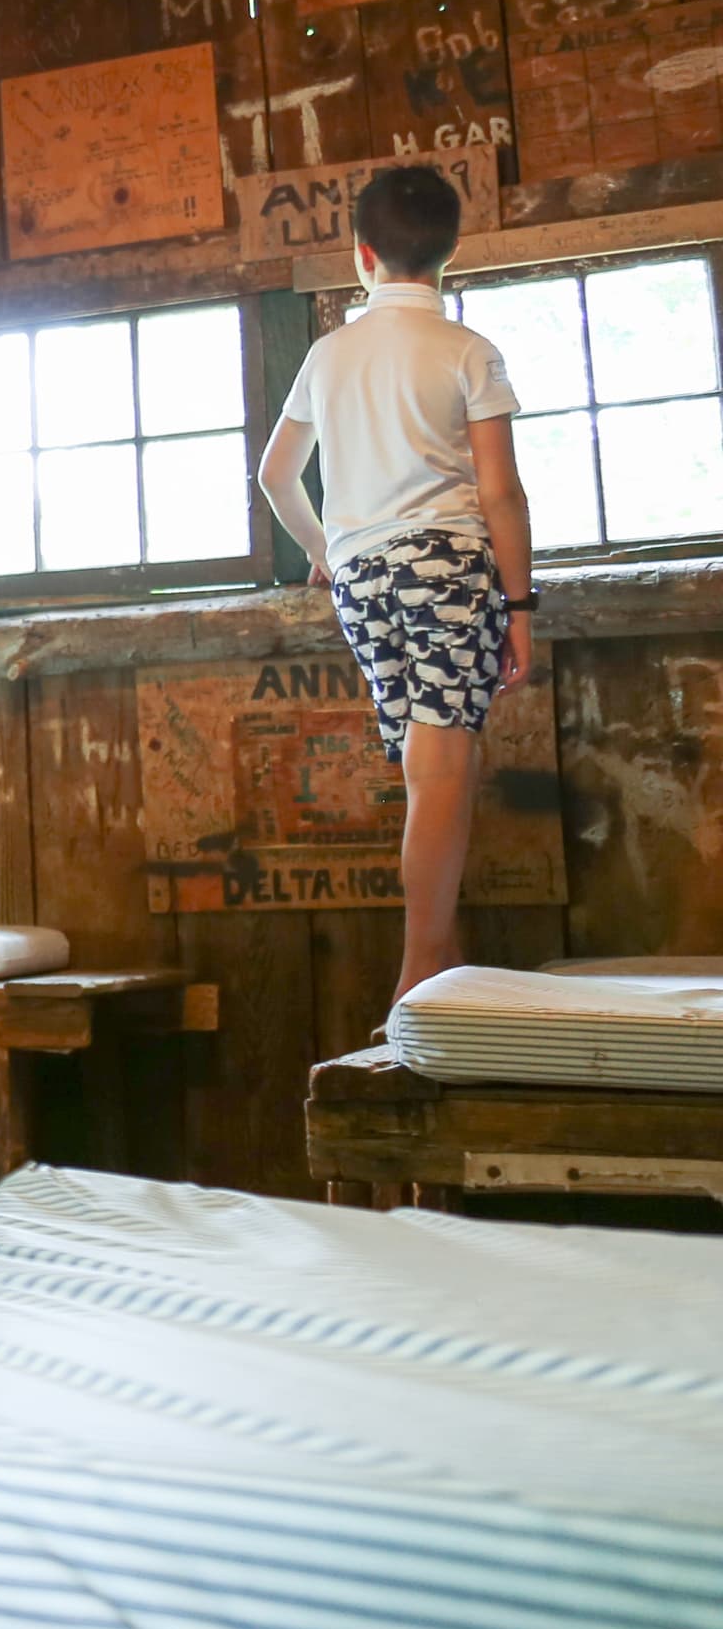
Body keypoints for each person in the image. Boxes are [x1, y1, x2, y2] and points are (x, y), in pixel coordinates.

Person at [256, 163, 534, 1011]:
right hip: (447, 568)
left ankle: (444, 967)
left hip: (362, 579)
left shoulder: (328, 353)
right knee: (444, 766)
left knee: (426, 767)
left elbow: (276, 476)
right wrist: (520, 607)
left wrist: (327, 552)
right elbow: (500, 495)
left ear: (363, 255)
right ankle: (416, 980)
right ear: (447, 255)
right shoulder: (465, 351)